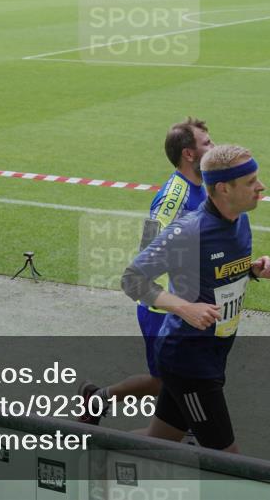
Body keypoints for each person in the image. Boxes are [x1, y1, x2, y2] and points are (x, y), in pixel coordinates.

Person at [120, 145, 270, 452]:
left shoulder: (239, 220)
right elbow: (132, 279)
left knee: (160, 438)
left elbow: (217, 270)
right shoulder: (189, 231)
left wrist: (251, 270)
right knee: (228, 459)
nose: (261, 187)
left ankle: (88, 452)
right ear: (223, 188)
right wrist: (185, 308)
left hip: (213, 353)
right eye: (251, 181)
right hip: (189, 360)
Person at [79, 118, 212, 426]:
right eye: (207, 143)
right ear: (189, 154)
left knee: (168, 379)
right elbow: (150, 251)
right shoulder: (174, 197)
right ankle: (182, 434)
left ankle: (100, 398)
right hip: (164, 306)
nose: (214, 147)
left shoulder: (198, 188)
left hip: (182, 302)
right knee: (174, 379)